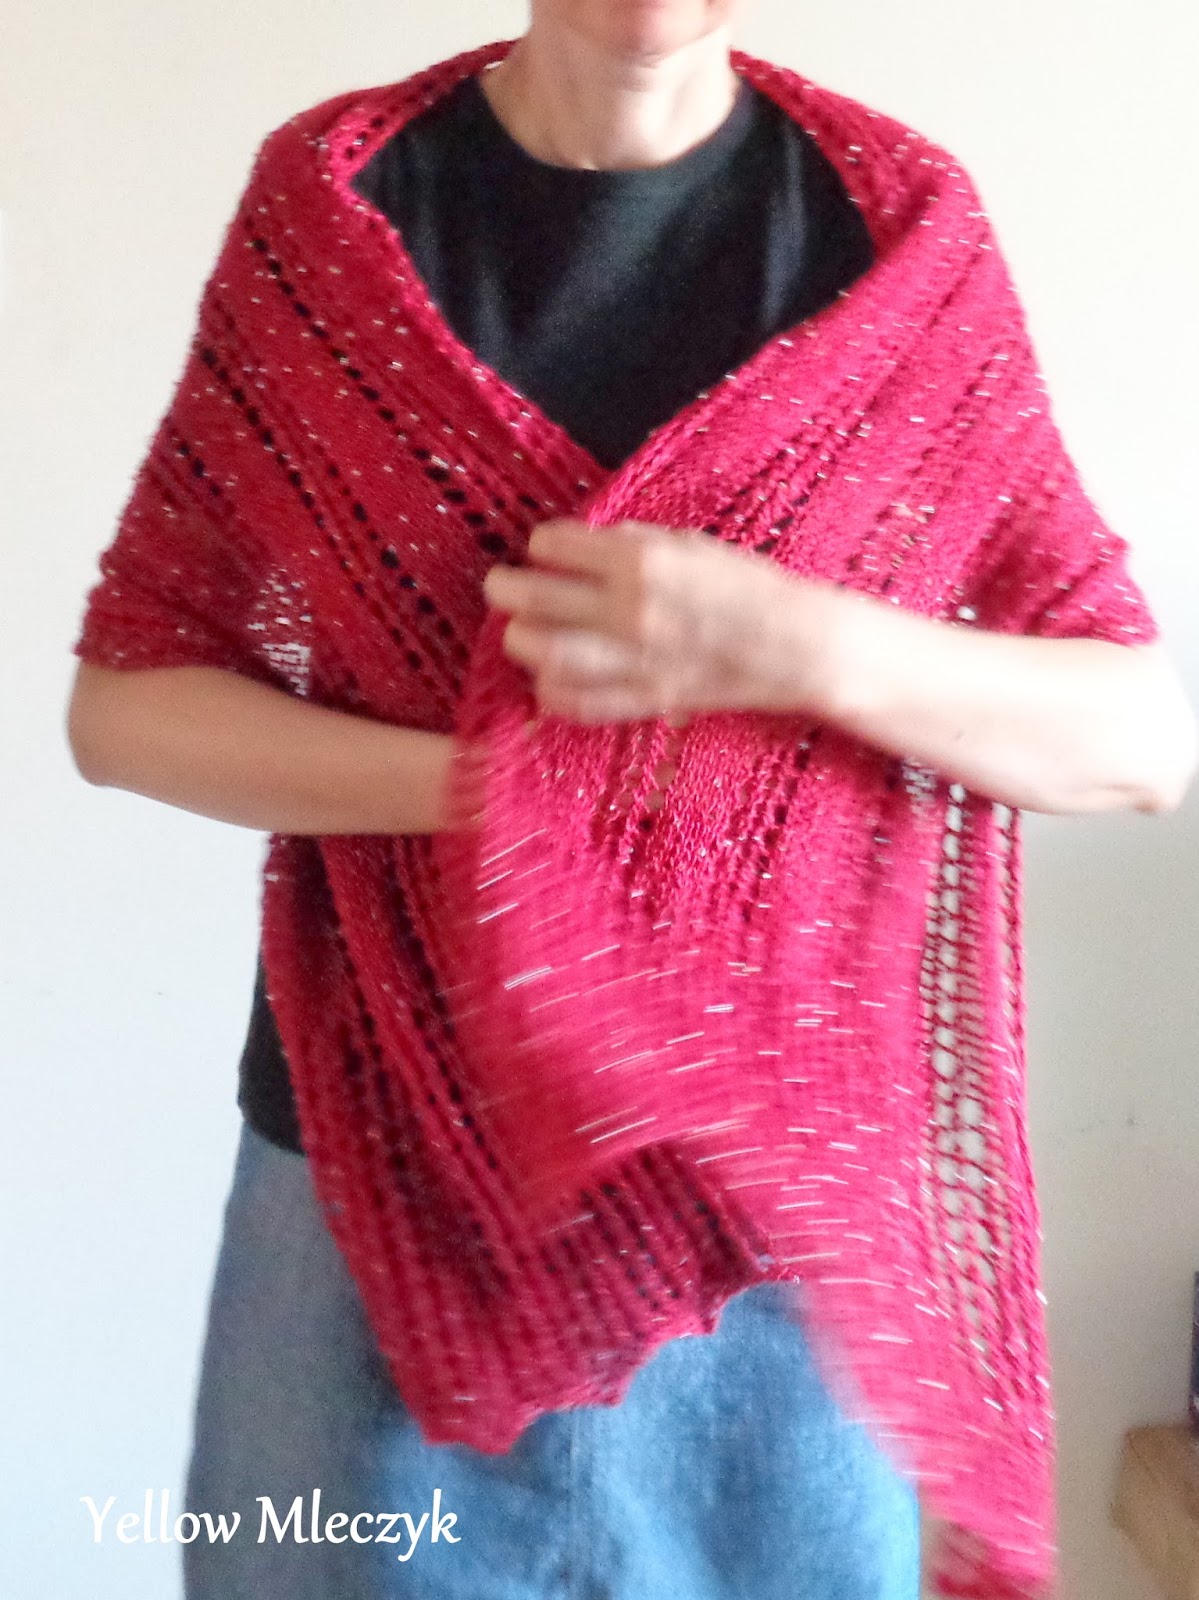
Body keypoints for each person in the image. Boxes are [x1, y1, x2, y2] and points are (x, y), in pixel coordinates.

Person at [67, 4, 1196, 1598]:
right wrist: (512, 796)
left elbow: (1136, 740)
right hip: (376, 1181)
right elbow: (127, 709)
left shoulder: (894, 240)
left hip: (781, 1212)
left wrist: (793, 642)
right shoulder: (334, 219)